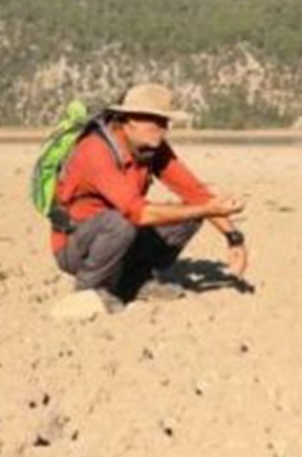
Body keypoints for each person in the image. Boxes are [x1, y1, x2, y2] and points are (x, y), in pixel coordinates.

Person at [49, 83, 247, 312]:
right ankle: (88, 289)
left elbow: (195, 193)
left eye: (166, 122)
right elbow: (137, 212)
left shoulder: (152, 148)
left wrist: (233, 237)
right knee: (121, 222)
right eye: (157, 122)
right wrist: (208, 209)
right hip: (76, 245)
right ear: (131, 120)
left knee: (189, 216)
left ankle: (134, 282)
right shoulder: (95, 150)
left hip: (122, 234)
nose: (164, 129)